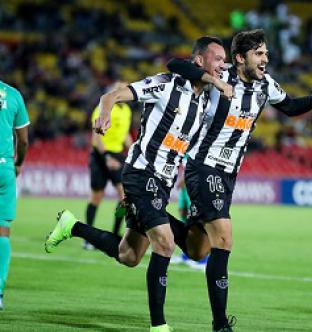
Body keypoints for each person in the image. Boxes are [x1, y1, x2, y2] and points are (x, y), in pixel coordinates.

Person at [44, 36, 233, 332]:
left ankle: (72, 226)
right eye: (218, 59)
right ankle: (159, 326)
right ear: (199, 61)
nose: (223, 65)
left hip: (164, 183)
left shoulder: (206, 100)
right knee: (166, 242)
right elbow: (113, 96)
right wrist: (105, 112)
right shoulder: (167, 85)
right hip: (141, 173)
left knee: (129, 255)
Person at [166, 29, 312, 332]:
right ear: (239, 58)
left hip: (229, 174)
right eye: (259, 53)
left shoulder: (265, 85)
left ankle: (147, 214)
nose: (265, 58)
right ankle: (220, 325)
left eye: (266, 53)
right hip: (203, 166)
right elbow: (174, 64)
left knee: (198, 249)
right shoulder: (220, 76)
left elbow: (290, 106)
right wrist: (214, 80)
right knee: (224, 238)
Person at [84, 81, 133, 250]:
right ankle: (88, 238)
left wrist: (134, 149)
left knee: (124, 197)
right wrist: (106, 157)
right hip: (100, 155)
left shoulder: (126, 111)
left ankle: (114, 234)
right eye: (119, 88)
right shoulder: (102, 108)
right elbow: (96, 137)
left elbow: (124, 134)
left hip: (117, 155)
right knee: (96, 197)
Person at [0, 81, 30, 310]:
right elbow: (23, 140)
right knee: (2, 231)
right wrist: (18, 163)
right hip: (4, 168)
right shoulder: (12, 94)